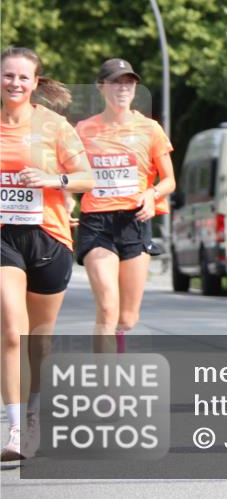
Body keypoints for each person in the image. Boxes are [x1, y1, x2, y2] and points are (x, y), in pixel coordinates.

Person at [1, 47, 95, 461]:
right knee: (9, 332)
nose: (15, 83)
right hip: (5, 236)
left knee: (39, 341)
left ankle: (35, 413)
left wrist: (51, 179)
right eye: (8, 76)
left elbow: (87, 178)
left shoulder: (54, 125)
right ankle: (15, 429)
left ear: (36, 82)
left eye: (23, 77)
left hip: (49, 237)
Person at [75, 58, 175, 354]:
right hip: (96, 223)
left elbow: (169, 180)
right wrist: (65, 206)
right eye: (116, 81)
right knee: (107, 306)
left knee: (127, 318)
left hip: (135, 221)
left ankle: (117, 352)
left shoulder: (150, 129)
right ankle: (106, 387)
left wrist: (151, 194)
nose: (123, 87)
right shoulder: (83, 130)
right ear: (101, 87)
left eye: (129, 82)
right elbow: (70, 175)